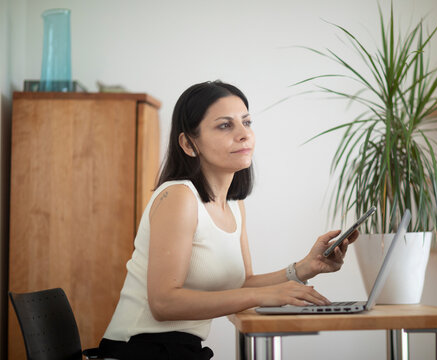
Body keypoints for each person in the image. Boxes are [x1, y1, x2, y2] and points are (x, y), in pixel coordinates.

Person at [98, 80, 358, 360]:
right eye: (225, 125)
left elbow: (241, 284)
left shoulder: (234, 206)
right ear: (188, 143)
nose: (243, 134)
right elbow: (163, 303)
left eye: (247, 122)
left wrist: (304, 268)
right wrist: (264, 296)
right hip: (139, 350)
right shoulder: (179, 197)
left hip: (181, 350)